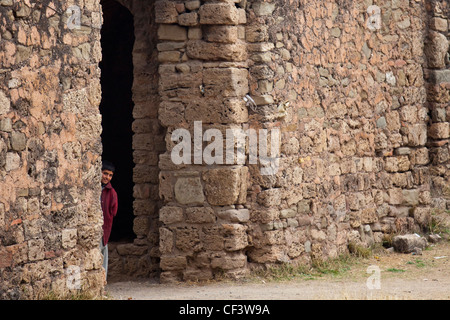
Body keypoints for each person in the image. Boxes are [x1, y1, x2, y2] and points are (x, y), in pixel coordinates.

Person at [100, 160, 118, 280]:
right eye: (105, 173)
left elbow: (114, 211)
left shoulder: (111, 192)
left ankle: (102, 283)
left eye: (110, 175)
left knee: (103, 255)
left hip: (104, 229)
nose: (107, 177)